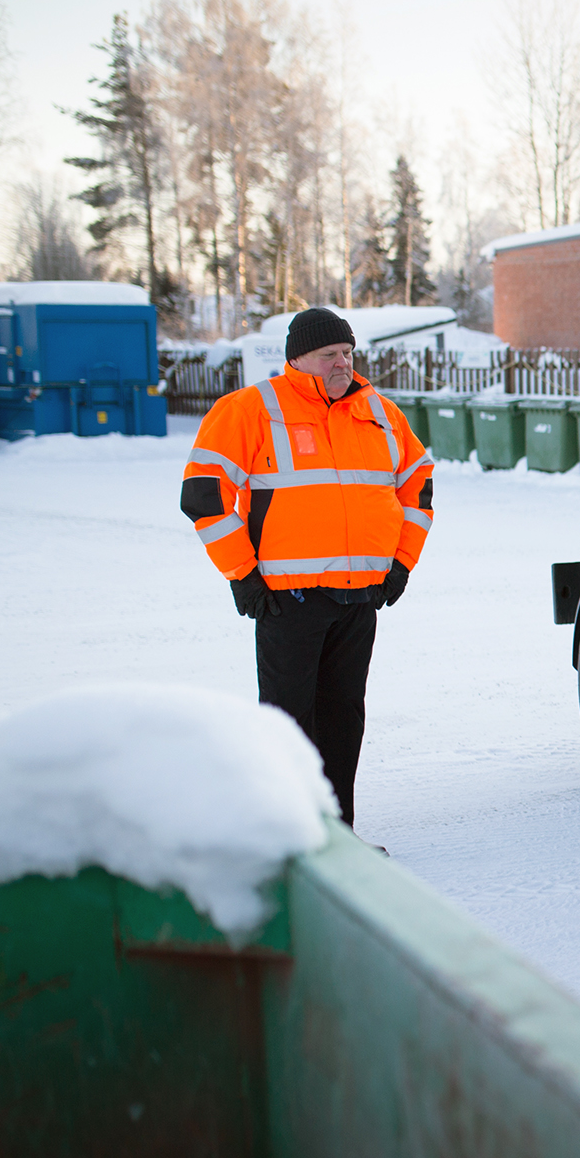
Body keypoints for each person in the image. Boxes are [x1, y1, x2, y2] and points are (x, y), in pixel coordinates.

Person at [179, 308, 434, 842]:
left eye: (347, 352)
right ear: (297, 358)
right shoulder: (251, 409)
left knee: (344, 722)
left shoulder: (381, 413)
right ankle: (286, 838)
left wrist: (401, 563)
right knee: (286, 725)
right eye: (329, 355)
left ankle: (338, 838)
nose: (342, 363)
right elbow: (203, 494)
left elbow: (418, 489)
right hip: (285, 598)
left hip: (360, 596)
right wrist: (240, 573)